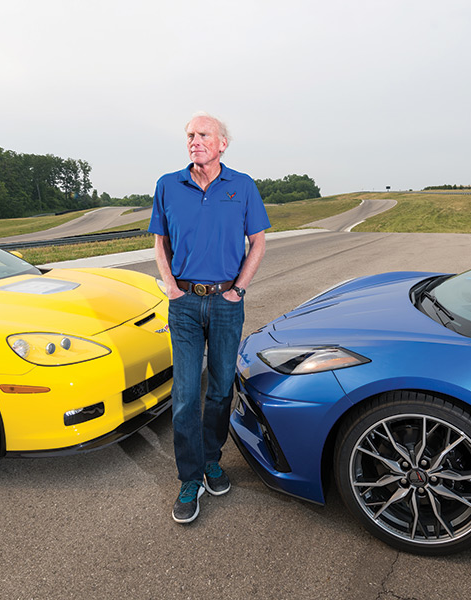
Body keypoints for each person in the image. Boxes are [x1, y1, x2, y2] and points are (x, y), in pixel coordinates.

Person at [148, 112, 270, 524]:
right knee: (184, 395)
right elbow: (159, 240)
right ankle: (189, 477)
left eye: (203, 135)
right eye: (189, 135)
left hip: (225, 302)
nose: (194, 141)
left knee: (219, 389)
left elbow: (258, 242)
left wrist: (239, 289)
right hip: (183, 303)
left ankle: (212, 460)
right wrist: (169, 283)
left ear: (222, 143)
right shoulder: (168, 185)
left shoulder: (243, 186)